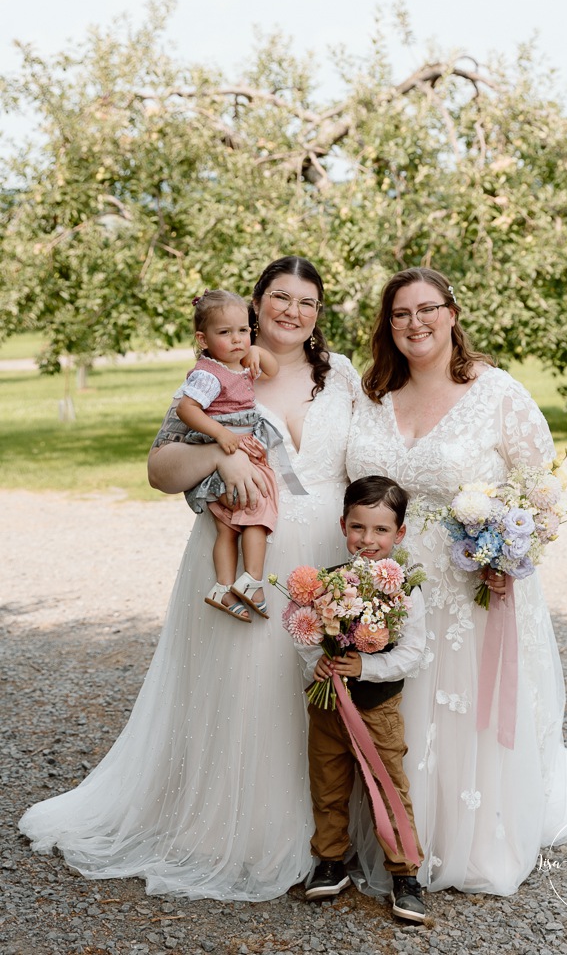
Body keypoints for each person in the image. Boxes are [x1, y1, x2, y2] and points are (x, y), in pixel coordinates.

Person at [19, 257, 360, 902]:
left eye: (307, 302)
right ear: (254, 305)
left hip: (322, 555)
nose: (292, 311)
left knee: (314, 692)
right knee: (246, 692)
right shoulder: (223, 373)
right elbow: (158, 467)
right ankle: (240, 833)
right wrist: (218, 456)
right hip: (240, 546)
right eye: (279, 297)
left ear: (319, 314)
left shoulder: (340, 375)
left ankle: (333, 838)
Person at [345, 266, 567, 896]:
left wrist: (506, 552)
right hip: (386, 585)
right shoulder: (373, 395)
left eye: (427, 309)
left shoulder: (497, 393)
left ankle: (467, 840)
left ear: (451, 312)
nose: (414, 324)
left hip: (469, 587)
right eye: (399, 314)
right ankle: (396, 840)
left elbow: (543, 492)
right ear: (386, 326)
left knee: (459, 708)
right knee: (400, 708)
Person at [298, 476, 427, 923]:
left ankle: (405, 873)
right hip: (327, 707)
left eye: (380, 530)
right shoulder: (325, 581)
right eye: (358, 527)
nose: (367, 540)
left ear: (400, 534)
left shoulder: (406, 590)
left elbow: (412, 653)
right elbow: (307, 635)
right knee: (328, 785)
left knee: (389, 789)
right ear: (343, 525)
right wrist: (313, 663)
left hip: (376, 710)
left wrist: (366, 668)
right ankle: (330, 859)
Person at [174, 288, 280, 622]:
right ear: (203, 339)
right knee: (257, 514)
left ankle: (222, 586)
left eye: (244, 331)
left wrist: (258, 353)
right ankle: (251, 580)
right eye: (225, 333)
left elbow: (273, 370)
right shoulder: (209, 374)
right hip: (229, 452)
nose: (237, 340)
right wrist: (220, 434)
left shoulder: (238, 363)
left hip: (239, 453)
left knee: (227, 529)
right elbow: (186, 410)